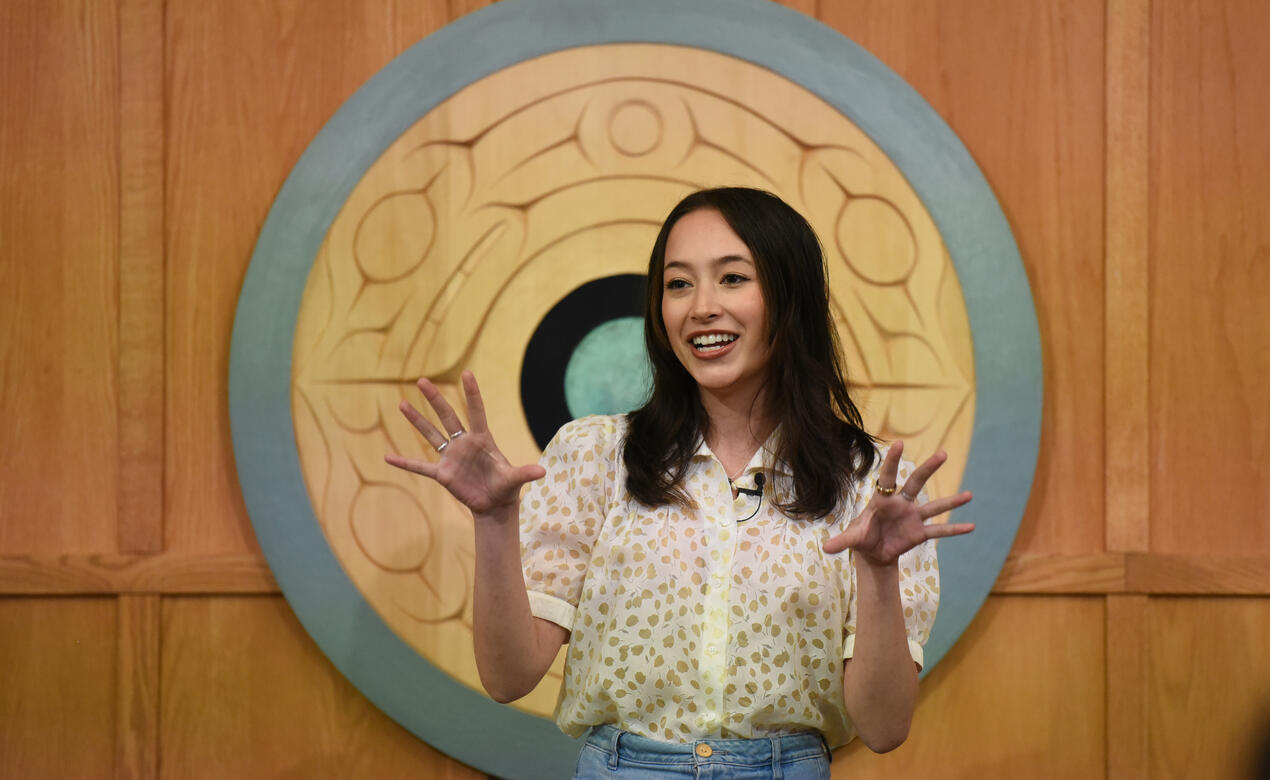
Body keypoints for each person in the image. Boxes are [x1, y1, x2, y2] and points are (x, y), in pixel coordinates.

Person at [386, 187, 974, 778]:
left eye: (733, 279)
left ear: (790, 296)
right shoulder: (593, 454)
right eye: (679, 284)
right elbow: (509, 678)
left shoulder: (870, 482)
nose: (701, 307)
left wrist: (877, 572)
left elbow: (883, 728)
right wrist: (494, 520)